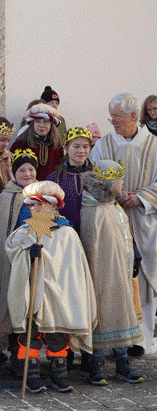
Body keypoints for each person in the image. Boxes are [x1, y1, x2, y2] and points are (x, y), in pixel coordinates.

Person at [5, 180, 97, 393]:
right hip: (33, 292)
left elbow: (73, 268)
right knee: (31, 334)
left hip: (58, 293)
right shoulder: (25, 232)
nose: (36, 209)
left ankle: (59, 375)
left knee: (57, 335)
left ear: (54, 205)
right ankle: (31, 375)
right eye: (32, 205)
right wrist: (27, 254)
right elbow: (12, 250)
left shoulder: (67, 234)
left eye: (41, 204)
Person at [90, 92, 157, 357]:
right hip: (110, 218)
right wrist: (115, 195)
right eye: (111, 117)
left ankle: (141, 339)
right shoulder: (102, 145)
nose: (113, 122)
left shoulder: (154, 145)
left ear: (133, 116)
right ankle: (114, 339)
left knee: (143, 280)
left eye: (117, 116)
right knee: (113, 276)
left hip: (143, 220)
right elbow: (92, 178)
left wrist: (140, 198)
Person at [80, 160, 144, 386]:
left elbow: (124, 234)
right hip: (101, 276)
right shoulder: (93, 210)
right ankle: (96, 364)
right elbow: (91, 244)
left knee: (122, 311)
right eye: (120, 181)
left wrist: (134, 255)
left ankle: (122, 362)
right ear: (110, 183)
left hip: (121, 272)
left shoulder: (114, 206)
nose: (123, 183)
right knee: (102, 314)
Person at [0, 149, 38, 375]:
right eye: (21, 170)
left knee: (34, 306)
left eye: (31, 169)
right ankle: (18, 356)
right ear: (14, 173)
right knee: (17, 304)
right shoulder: (5, 197)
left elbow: (49, 224)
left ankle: (34, 356)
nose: (27, 174)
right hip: (15, 261)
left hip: (36, 259)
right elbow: (1, 234)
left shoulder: (43, 195)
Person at [46, 127, 93, 232]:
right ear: (66, 149)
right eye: (76, 146)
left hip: (90, 230)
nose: (81, 151)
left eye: (85, 147)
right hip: (64, 232)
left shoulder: (96, 176)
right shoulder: (55, 178)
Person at [10, 104, 64, 180]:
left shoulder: (57, 146)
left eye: (46, 122)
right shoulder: (21, 143)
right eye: (37, 121)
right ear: (32, 124)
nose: (41, 125)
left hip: (52, 185)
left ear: (51, 125)